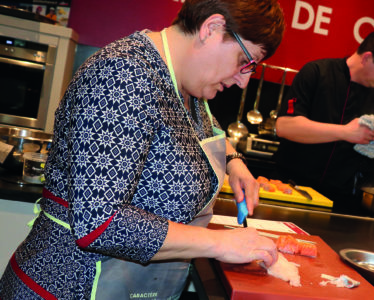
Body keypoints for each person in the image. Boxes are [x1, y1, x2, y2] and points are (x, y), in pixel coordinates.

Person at [0, 0, 285, 298]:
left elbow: (198, 130)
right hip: (69, 287)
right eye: (245, 61)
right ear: (211, 28)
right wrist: (221, 243)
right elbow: (100, 223)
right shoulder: (122, 77)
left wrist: (235, 162)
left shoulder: (186, 84)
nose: (243, 80)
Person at [273, 30, 374, 214]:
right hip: (293, 191)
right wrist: (345, 132)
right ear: (367, 57)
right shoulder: (316, 72)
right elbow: (284, 126)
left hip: (343, 203)